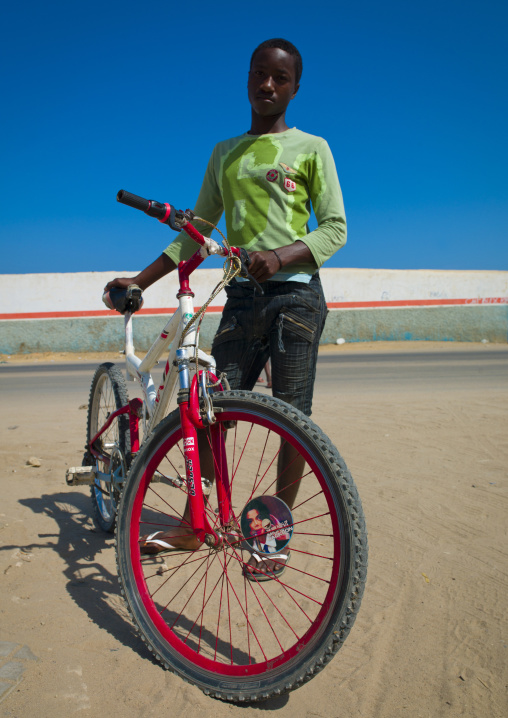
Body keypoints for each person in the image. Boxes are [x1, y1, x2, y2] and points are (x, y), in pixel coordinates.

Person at [108, 39, 347, 569]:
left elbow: (335, 229)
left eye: (280, 79)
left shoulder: (313, 148)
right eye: (259, 74)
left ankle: (271, 535)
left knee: (291, 418)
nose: (267, 85)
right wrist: (142, 281)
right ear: (247, 77)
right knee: (211, 409)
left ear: (295, 88)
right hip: (239, 296)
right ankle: (197, 521)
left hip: (297, 296)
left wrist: (282, 255)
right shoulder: (224, 153)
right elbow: (196, 233)